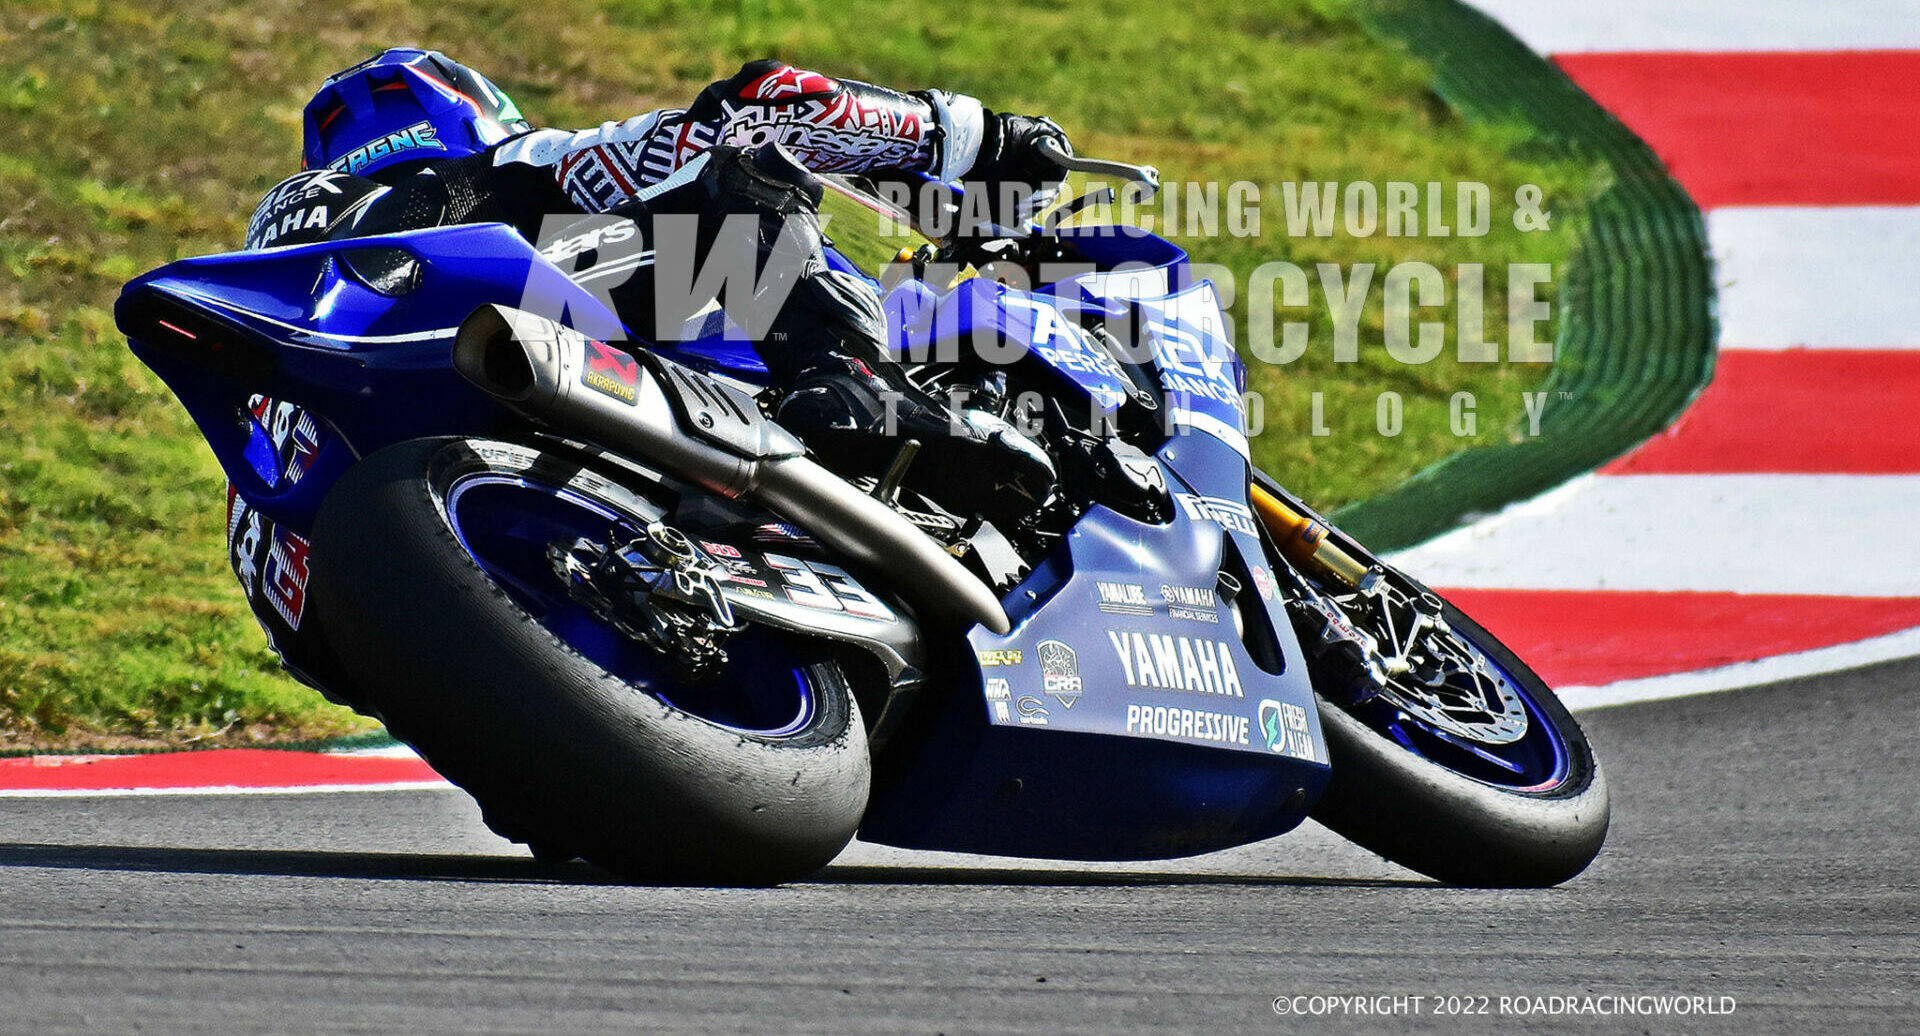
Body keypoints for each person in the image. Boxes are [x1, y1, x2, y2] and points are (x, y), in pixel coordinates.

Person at [245, 47, 1069, 524]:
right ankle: (855, 381)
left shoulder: (283, 292)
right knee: (744, 157)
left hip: (367, 583)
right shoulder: (492, 181)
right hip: (506, 398)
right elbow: (762, 107)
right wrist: (973, 135)